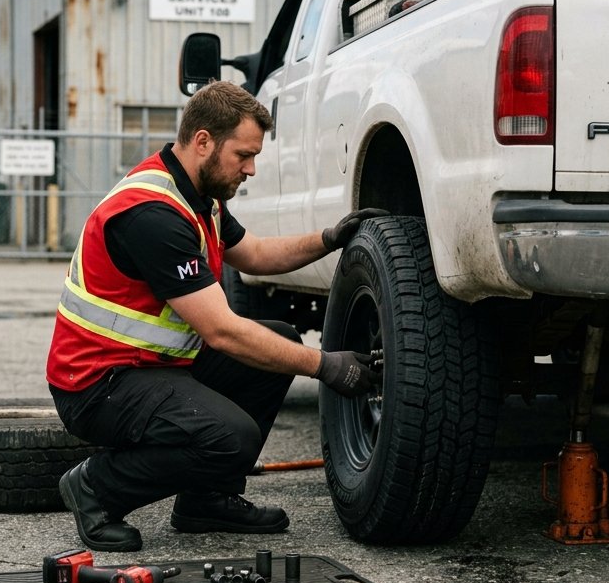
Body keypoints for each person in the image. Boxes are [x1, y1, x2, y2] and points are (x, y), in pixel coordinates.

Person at [46, 80, 384, 552]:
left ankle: (207, 500)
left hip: (149, 367)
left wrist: (327, 238)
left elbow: (258, 255)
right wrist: (326, 365)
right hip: (97, 384)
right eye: (243, 155)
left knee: (279, 338)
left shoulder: (200, 197)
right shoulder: (152, 215)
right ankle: (95, 488)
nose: (250, 168)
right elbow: (222, 331)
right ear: (203, 140)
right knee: (232, 437)